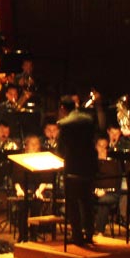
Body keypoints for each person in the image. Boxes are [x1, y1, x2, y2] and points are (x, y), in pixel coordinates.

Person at [57, 97, 97, 246]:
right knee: (87, 201)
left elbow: (60, 149)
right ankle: (89, 233)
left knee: (72, 203)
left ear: (62, 108)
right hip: (89, 167)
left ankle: (77, 236)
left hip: (73, 168)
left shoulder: (65, 124)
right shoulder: (89, 119)